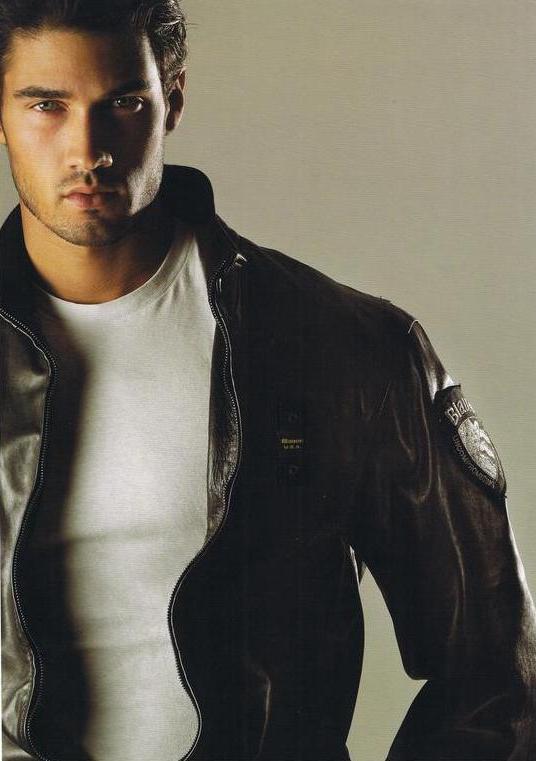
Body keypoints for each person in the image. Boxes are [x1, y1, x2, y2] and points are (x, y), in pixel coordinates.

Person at [1, 1, 535, 760]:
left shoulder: (338, 345)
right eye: (46, 106)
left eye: (122, 103)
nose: (87, 149)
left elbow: (496, 673)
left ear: (172, 101)